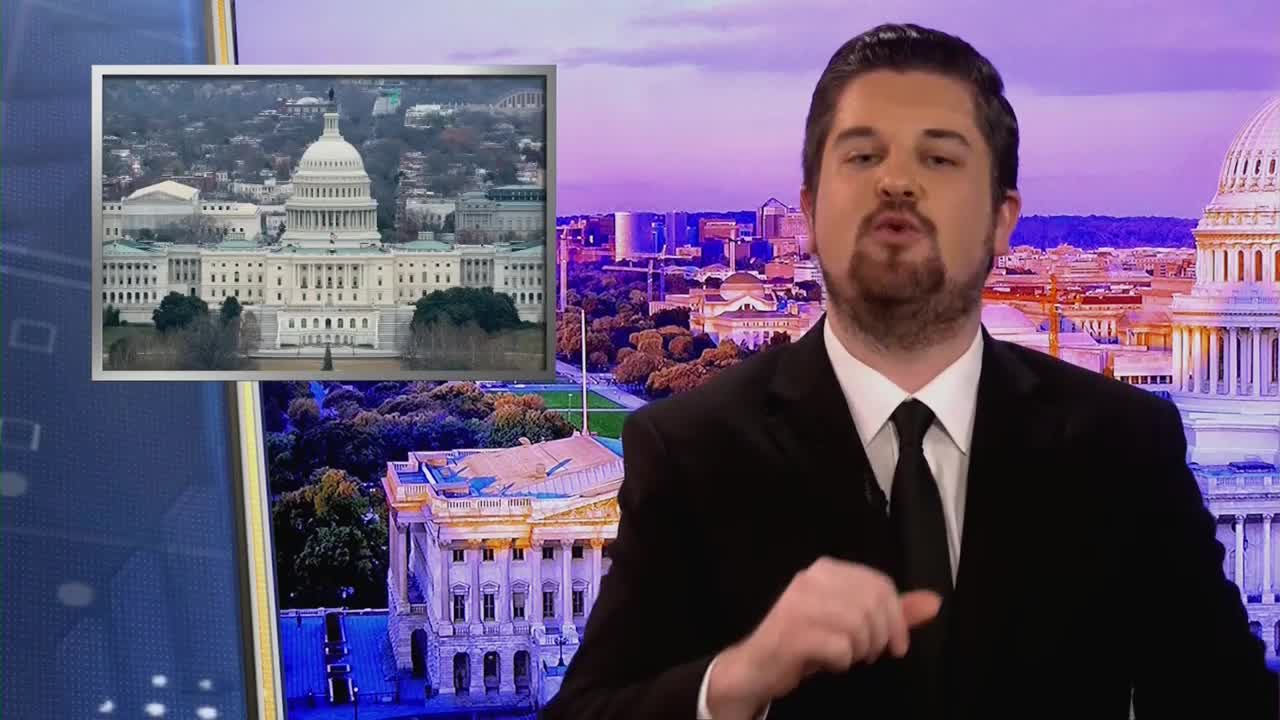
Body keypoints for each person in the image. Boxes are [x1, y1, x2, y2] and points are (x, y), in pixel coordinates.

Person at [539, 23, 1279, 720]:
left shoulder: (1125, 444)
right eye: (862, 156)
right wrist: (737, 680)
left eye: (940, 159)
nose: (898, 187)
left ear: (1001, 218)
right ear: (808, 211)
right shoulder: (691, 450)